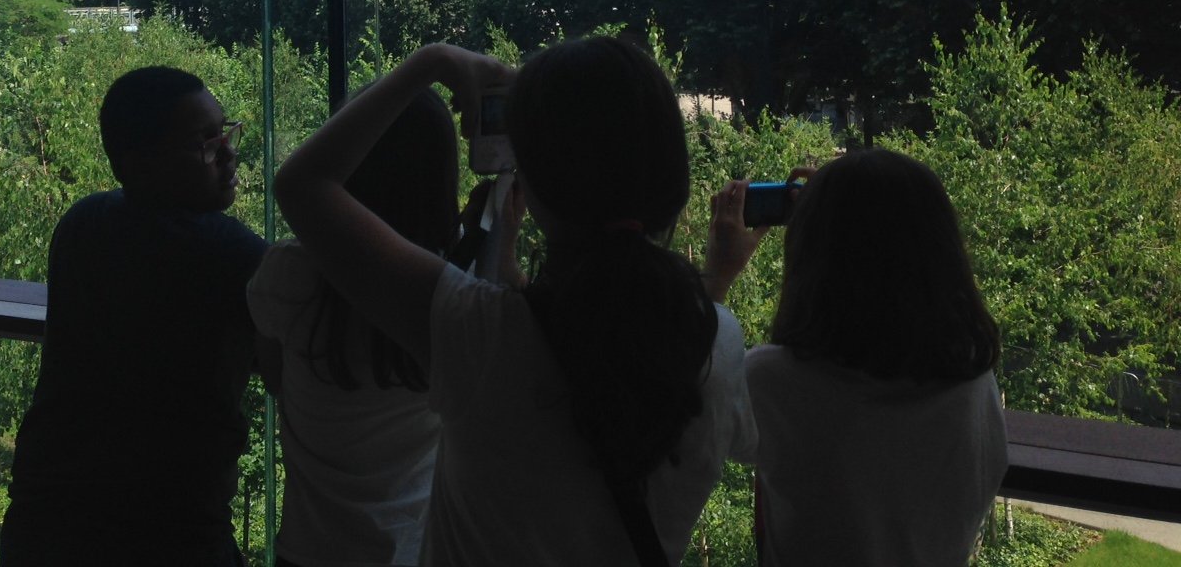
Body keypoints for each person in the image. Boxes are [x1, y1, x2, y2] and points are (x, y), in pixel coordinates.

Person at [274, 37, 757, 567]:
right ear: (673, 173)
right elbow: (635, 345)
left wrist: (430, 61)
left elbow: (303, 186)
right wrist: (718, 275)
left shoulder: (477, 334)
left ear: (531, 182)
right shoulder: (721, 345)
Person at [0, 65, 268, 567]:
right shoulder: (228, 253)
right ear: (141, 162)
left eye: (225, 130)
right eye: (206, 142)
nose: (229, 151)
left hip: (47, 516)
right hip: (172, 530)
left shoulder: (83, 224)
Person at [737, 148, 1006, 566]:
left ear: (812, 253)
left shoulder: (772, 381)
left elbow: (678, 412)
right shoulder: (973, 381)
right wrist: (845, 195)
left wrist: (716, 277)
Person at [248, 87, 461, 567]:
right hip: (417, 550)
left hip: (310, 548)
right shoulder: (461, 292)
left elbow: (274, 375)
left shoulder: (290, 273)